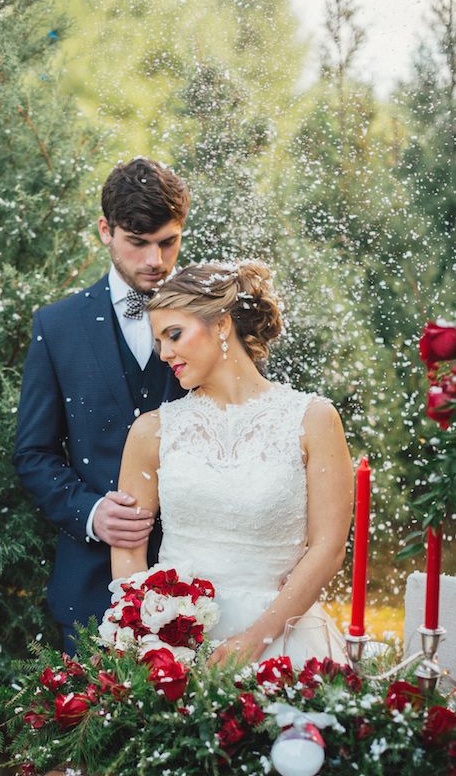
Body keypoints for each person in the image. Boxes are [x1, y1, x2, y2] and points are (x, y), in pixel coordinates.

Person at [111, 260, 354, 667]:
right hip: (173, 648)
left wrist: (255, 640)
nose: (165, 353)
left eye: (174, 334)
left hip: (282, 640)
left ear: (222, 325)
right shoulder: (151, 431)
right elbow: (128, 547)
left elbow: (328, 548)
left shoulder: (313, 419)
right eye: (158, 342)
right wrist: (145, 641)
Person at [14, 158, 189, 652]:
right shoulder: (57, 327)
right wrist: (90, 513)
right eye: (138, 242)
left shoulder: (210, 322)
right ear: (105, 231)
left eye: (168, 241)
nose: (156, 259)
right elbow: (33, 453)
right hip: (91, 594)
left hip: (199, 578)